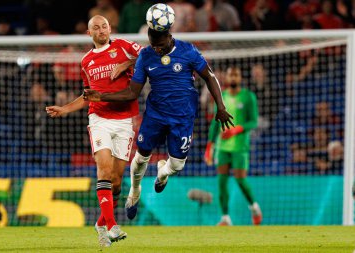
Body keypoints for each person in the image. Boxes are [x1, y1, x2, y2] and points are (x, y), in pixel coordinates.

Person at [83, 27, 234, 221]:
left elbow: (209, 76)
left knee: (177, 166)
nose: (157, 50)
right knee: (140, 156)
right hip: (156, 115)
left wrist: (220, 106)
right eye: (153, 46)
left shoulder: (188, 51)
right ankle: (134, 192)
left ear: (169, 38)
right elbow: (132, 93)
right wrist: (102, 96)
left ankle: (163, 173)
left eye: (160, 46)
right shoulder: (146, 55)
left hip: (183, 117)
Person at [45, 15, 142, 248]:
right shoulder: (86, 61)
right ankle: (111, 225)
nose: (101, 30)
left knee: (117, 182)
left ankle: (100, 223)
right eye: (96, 28)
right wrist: (65, 109)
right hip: (99, 119)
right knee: (104, 170)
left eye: (104, 26)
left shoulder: (124, 47)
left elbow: (150, 57)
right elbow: (87, 96)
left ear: (110, 28)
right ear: (89, 33)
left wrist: (127, 64)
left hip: (125, 120)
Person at [204, 66, 262, 226]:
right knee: (221, 182)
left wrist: (236, 130)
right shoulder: (221, 97)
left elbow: (254, 121)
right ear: (227, 78)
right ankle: (225, 217)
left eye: (236, 75)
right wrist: (210, 145)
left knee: (240, 180)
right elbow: (215, 123)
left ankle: (254, 207)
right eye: (231, 75)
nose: (233, 78)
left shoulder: (248, 97)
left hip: (240, 148)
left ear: (240, 78)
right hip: (222, 148)